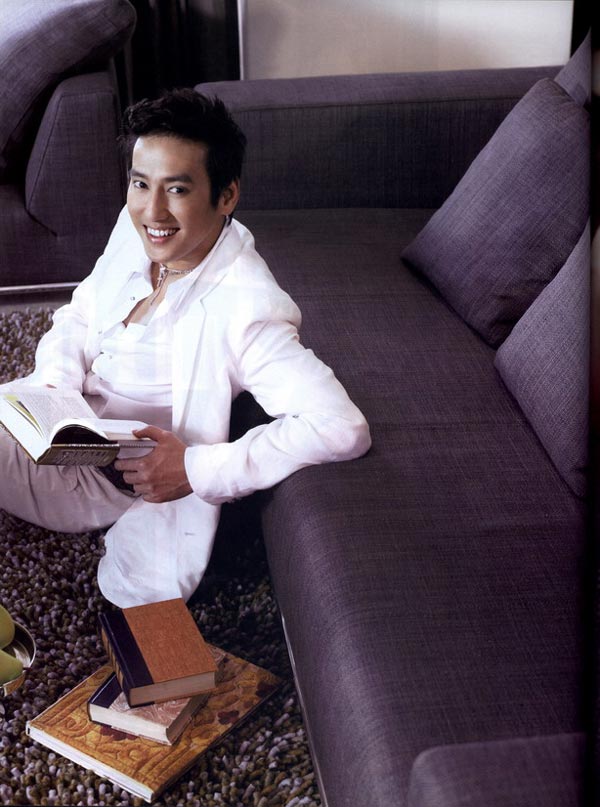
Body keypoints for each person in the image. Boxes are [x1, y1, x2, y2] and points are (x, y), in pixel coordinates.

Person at [0, 89, 371, 607]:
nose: (152, 210)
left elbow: (341, 427)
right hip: (52, 427)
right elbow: (80, 313)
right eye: (140, 183)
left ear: (227, 196)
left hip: (93, 482)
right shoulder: (139, 228)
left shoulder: (247, 308)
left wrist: (195, 469)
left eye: (176, 189)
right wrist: (54, 388)